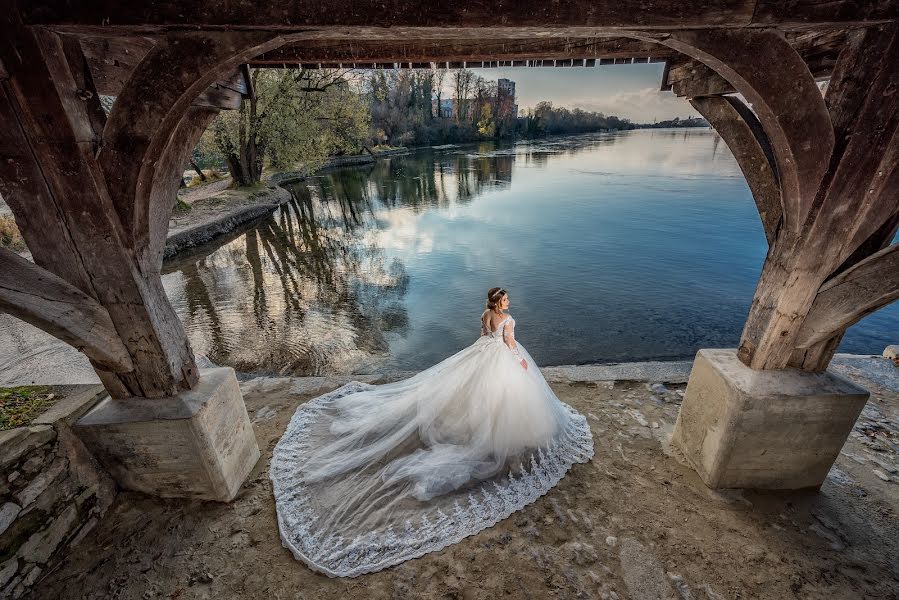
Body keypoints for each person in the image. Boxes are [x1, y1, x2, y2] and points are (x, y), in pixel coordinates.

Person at [270, 287, 594, 577]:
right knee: (505, 398)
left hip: (481, 357)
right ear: (500, 303)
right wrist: (522, 364)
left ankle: (474, 423)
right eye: (506, 299)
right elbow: (509, 346)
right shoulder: (508, 321)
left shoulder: (485, 315)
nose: (509, 302)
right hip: (501, 360)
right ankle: (499, 433)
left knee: (472, 395)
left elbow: (482, 337)